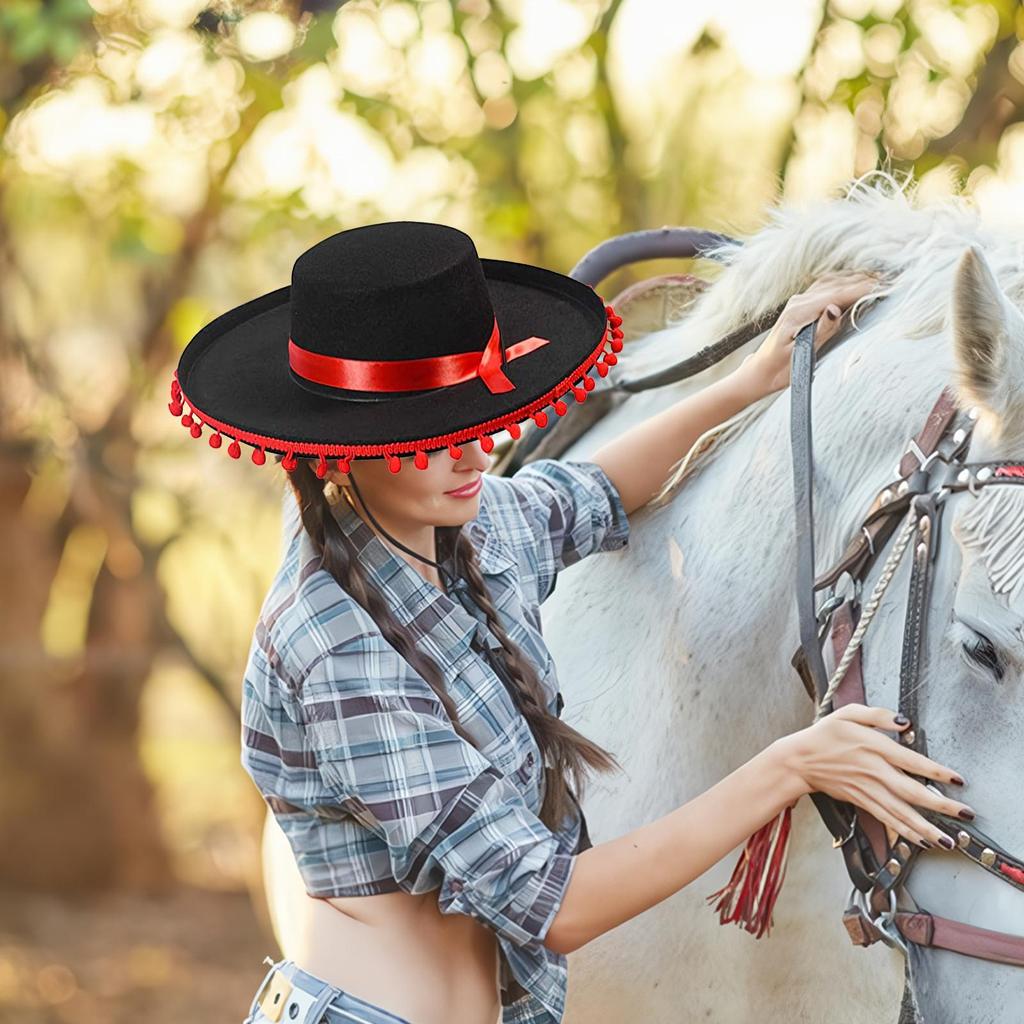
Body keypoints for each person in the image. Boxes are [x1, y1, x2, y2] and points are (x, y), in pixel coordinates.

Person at [168, 222, 974, 1024]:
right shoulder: (331, 639)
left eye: (478, 418)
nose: (475, 453)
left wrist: (748, 383)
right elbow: (551, 906)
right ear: (342, 448)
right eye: (431, 436)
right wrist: (791, 767)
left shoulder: (468, 534)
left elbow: (595, 490)